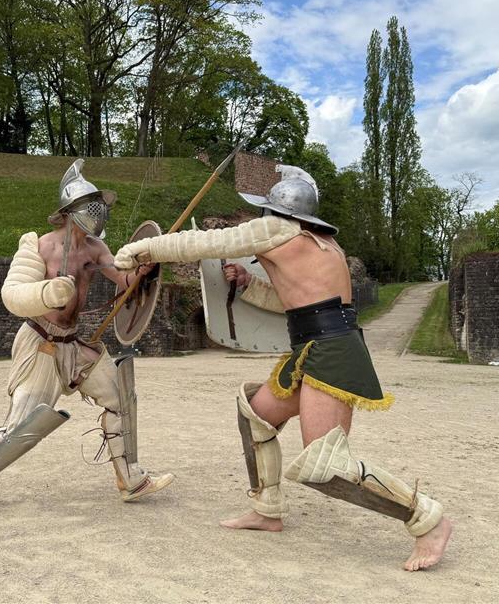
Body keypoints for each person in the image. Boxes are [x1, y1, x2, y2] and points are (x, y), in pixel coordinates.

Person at [113, 165, 452, 571]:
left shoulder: (277, 230)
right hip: (314, 343)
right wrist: (247, 283)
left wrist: (143, 250)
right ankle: (267, 509)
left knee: (325, 465)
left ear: (278, 213)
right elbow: (294, 302)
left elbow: (208, 241)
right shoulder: (319, 243)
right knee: (255, 412)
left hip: (331, 351)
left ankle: (427, 519)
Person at [0, 159, 175, 517]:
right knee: (22, 424)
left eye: (100, 208)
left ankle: (129, 479)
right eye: (90, 207)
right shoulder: (39, 247)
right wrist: (48, 293)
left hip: (74, 344)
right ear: (69, 212)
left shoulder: (96, 249)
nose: (97, 214)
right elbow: (15, 293)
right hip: (40, 342)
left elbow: (126, 286)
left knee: (118, 398)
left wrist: (145, 271)